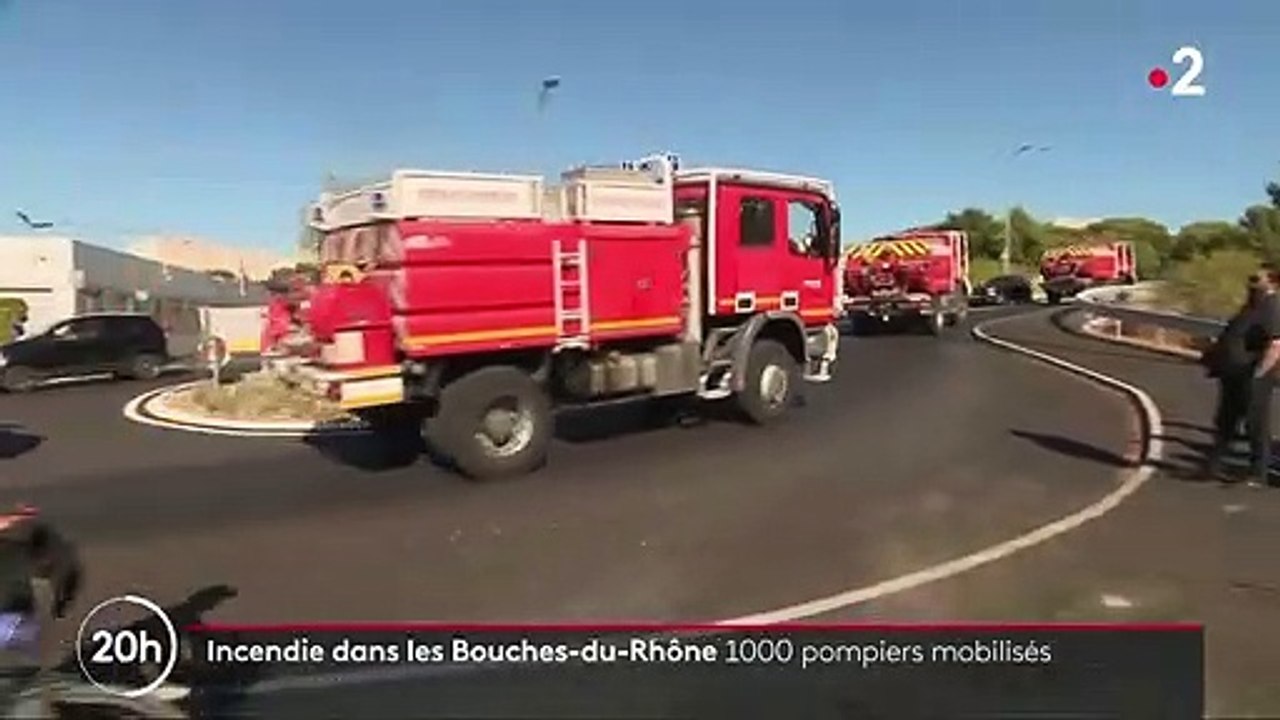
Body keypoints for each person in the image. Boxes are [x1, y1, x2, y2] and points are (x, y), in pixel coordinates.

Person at [1203, 279, 1262, 481]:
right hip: (1245, 372)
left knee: (1228, 418)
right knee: (1254, 422)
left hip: (1229, 371)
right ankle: (1256, 470)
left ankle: (1215, 461)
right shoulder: (1263, 316)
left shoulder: (1243, 315)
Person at [1243, 264, 1280, 488]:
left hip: (1262, 371)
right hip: (1255, 368)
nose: (1254, 281)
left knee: (1257, 419)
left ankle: (1260, 470)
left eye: (1258, 278)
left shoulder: (1273, 306)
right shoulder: (1261, 304)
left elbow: (1276, 344)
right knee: (1251, 419)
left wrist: (1260, 372)